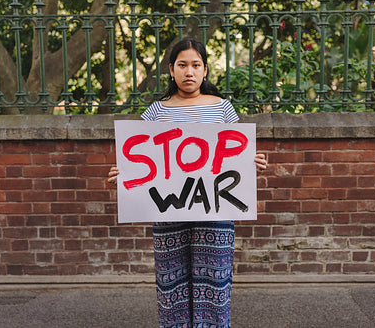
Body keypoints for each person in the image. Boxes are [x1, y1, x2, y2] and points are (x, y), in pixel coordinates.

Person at [108, 38, 267, 328]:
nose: (189, 72)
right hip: (169, 214)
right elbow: (141, 157)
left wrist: (251, 163)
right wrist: (124, 176)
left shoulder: (223, 108)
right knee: (172, 284)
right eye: (182, 65)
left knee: (215, 282)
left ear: (205, 70)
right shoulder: (157, 111)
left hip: (214, 214)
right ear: (171, 70)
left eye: (195, 65)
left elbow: (234, 152)